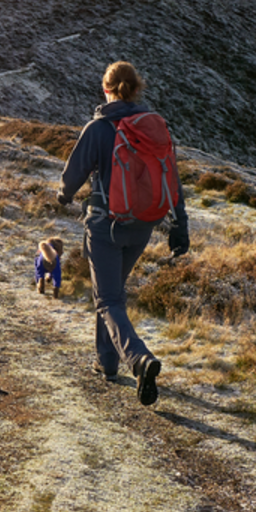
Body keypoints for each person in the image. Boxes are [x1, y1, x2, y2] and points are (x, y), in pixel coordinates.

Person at [57, 61, 189, 406]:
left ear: (107, 89)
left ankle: (139, 360)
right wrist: (181, 224)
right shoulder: (154, 127)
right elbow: (171, 178)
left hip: (105, 226)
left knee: (108, 300)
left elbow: (72, 176)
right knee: (113, 294)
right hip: (143, 226)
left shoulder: (99, 128)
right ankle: (107, 363)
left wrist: (64, 195)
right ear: (136, 88)